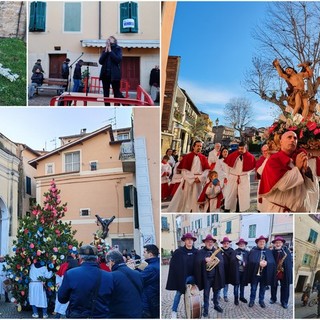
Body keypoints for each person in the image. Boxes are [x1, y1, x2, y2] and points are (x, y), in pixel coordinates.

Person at [259, 131, 317, 212]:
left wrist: (306, 169)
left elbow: (311, 188)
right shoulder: (274, 160)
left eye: (295, 138)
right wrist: (297, 167)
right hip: (280, 210)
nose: (293, 140)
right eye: (289, 137)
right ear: (281, 142)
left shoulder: (299, 157)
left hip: (301, 209)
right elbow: (283, 185)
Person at [58, 245, 113, 318]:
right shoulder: (109, 276)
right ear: (97, 258)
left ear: (80, 257)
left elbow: (62, 299)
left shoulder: (71, 274)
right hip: (101, 316)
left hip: (77, 316)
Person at [167, 141, 210, 212]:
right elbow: (184, 171)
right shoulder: (187, 157)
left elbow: (206, 171)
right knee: (187, 197)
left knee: (197, 197)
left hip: (199, 181)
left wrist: (200, 178)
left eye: (200, 146)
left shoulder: (204, 158)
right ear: (193, 147)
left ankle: (195, 211)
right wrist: (193, 179)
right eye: (197, 146)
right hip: (189, 181)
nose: (199, 147)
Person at [166, 232, 198, 319]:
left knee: (196, 292)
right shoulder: (179, 252)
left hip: (194, 277)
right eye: (188, 239)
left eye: (191, 239)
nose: (189, 241)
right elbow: (173, 264)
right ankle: (174, 311)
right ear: (184, 241)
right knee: (179, 293)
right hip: (183, 277)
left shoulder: (196, 252)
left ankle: (196, 307)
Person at [194, 234, 225, 317]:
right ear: (205, 242)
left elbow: (221, 262)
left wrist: (216, 261)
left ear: (213, 243)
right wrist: (204, 260)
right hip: (206, 277)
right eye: (208, 242)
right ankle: (206, 309)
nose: (210, 243)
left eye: (211, 242)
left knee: (216, 292)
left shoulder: (217, 251)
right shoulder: (200, 252)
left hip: (216, 277)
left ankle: (216, 305)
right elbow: (196, 262)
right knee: (206, 294)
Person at [106, 249, 143, 318]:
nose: (107, 265)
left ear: (111, 262)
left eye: (107, 263)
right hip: (137, 313)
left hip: (120, 314)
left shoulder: (110, 276)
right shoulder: (137, 273)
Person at [223, 142, 256, 212]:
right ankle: (228, 208)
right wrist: (228, 176)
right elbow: (226, 164)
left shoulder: (250, 157)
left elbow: (253, 167)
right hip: (233, 176)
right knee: (230, 193)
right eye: (239, 148)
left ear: (245, 148)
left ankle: (241, 209)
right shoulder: (233, 155)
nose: (240, 150)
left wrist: (246, 173)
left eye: (242, 148)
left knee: (243, 194)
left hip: (243, 177)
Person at [246, 235, 276, 308]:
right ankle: (252, 300)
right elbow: (250, 262)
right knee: (253, 288)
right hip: (255, 274)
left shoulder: (269, 251)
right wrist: (258, 263)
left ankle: (261, 301)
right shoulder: (253, 251)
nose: (262, 243)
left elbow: (272, 262)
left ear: (265, 243)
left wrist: (267, 263)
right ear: (257, 243)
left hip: (265, 274)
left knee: (262, 288)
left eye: (263, 242)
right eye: (260, 242)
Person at [99, 36, 124, 106]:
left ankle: (120, 105)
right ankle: (107, 107)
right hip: (105, 75)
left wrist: (110, 51)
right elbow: (100, 62)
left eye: (110, 38)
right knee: (106, 94)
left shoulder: (118, 49)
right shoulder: (105, 50)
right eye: (108, 39)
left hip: (114, 75)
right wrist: (106, 52)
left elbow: (118, 60)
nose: (108, 39)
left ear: (114, 41)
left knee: (116, 92)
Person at [270, 236, 292, 309]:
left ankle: (284, 302)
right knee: (273, 286)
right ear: (274, 244)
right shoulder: (272, 252)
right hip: (274, 272)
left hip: (283, 273)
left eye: (279, 243)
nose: (278, 244)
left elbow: (289, 263)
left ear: (282, 243)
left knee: (285, 288)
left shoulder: (286, 251)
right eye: (276, 243)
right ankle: (273, 298)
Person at [140, 244, 160, 318]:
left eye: (144, 252)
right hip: (153, 298)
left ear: (150, 254)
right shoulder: (154, 264)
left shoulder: (151, 268)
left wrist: (131, 269)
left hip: (150, 299)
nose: (143, 254)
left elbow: (139, 278)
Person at [218, 237, 238, 303]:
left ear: (229, 244)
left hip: (228, 270)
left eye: (227, 243)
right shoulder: (219, 251)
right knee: (219, 283)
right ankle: (218, 295)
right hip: (220, 270)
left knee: (226, 284)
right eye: (224, 243)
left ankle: (225, 295)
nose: (226, 245)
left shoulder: (232, 251)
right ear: (222, 244)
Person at [233, 238, 249, 305]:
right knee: (236, 286)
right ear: (238, 245)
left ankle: (241, 297)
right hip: (237, 272)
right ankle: (236, 299)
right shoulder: (235, 252)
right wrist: (236, 261)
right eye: (240, 244)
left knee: (242, 285)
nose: (242, 244)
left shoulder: (247, 252)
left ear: (245, 244)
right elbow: (232, 261)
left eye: (243, 244)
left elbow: (249, 261)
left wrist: (246, 263)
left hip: (244, 272)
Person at [255, 145, 270, 212]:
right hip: (263, 183)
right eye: (264, 151)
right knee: (263, 202)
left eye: (267, 150)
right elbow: (259, 172)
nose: (265, 152)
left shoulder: (273, 158)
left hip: (272, 183)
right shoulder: (260, 160)